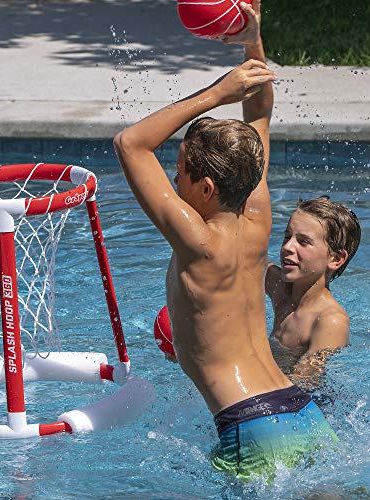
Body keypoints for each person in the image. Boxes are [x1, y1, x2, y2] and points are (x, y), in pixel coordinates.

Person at [114, 0, 336, 479]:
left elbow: (130, 143)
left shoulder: (198, 241)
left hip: (252, 426)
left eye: (179, 173)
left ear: (206, 188)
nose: (173, 183)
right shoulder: (255, 216)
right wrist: (250, 40)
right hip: (303, 413)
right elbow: (258, 113)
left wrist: (216, 94)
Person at [266, 196, 361, 390]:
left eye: (303, 241)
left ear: (335, 259)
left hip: (309, 405)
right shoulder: (279, 287)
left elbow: (302, 384)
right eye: (287, 236)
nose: (287, 247)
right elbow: (239, 257)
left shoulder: (330, 321)